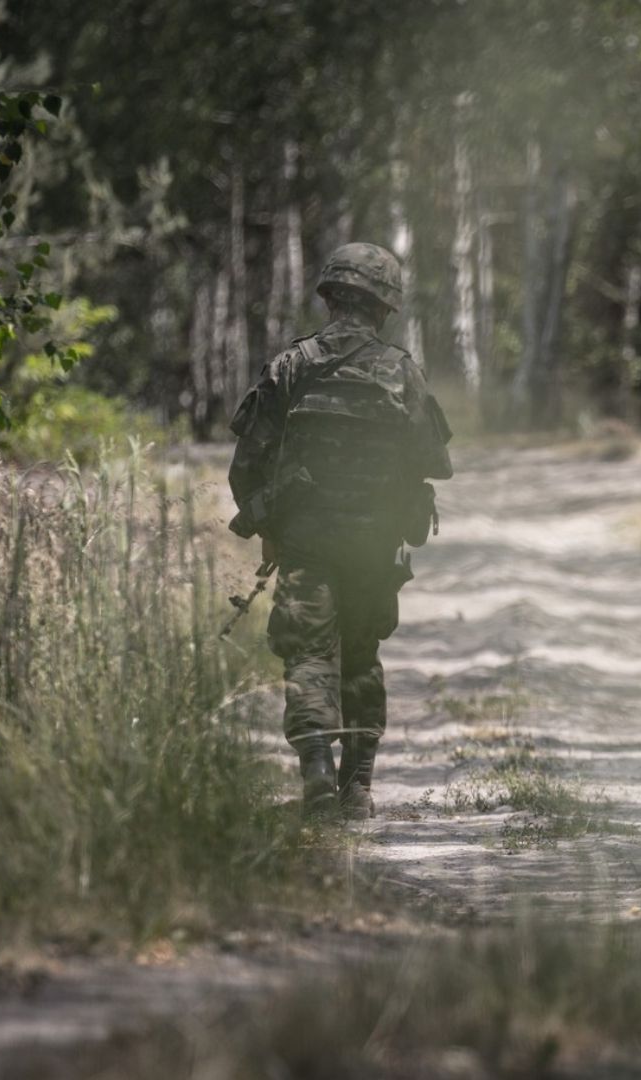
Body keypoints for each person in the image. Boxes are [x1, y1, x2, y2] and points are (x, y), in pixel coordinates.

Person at [227, 242, 453, 818]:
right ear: (384, 306)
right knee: (360, 656)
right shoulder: (402, 371)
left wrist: (269, 521)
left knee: (307, 656)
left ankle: (317, 778)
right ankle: (357, 789)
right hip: (373, 546)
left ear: (331, 297)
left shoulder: (291, 366)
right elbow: (430, 460)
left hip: (306, 543)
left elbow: (246, 466)